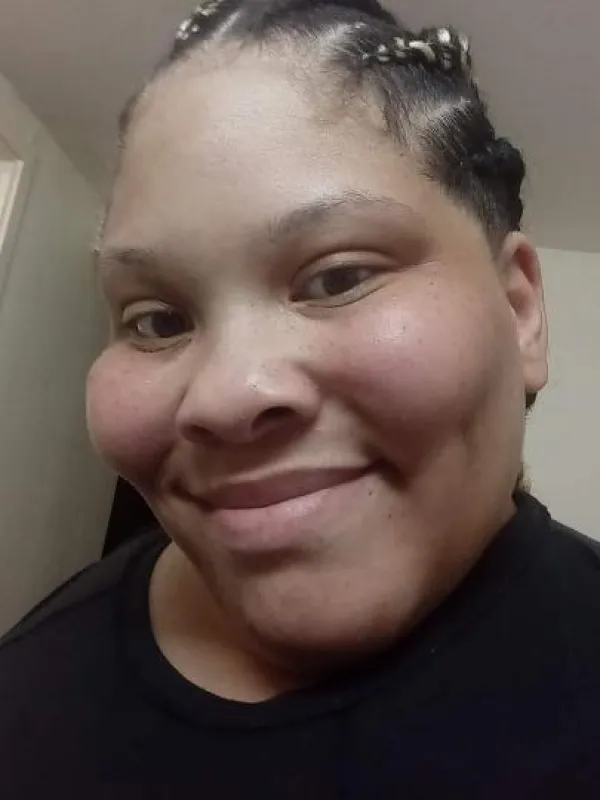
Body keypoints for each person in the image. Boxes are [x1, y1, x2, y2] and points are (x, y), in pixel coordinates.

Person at [1, 1, 599, 796]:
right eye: (158, 321)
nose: (224, 396)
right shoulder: (26, 703)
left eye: (338, 277)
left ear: (519, 312)